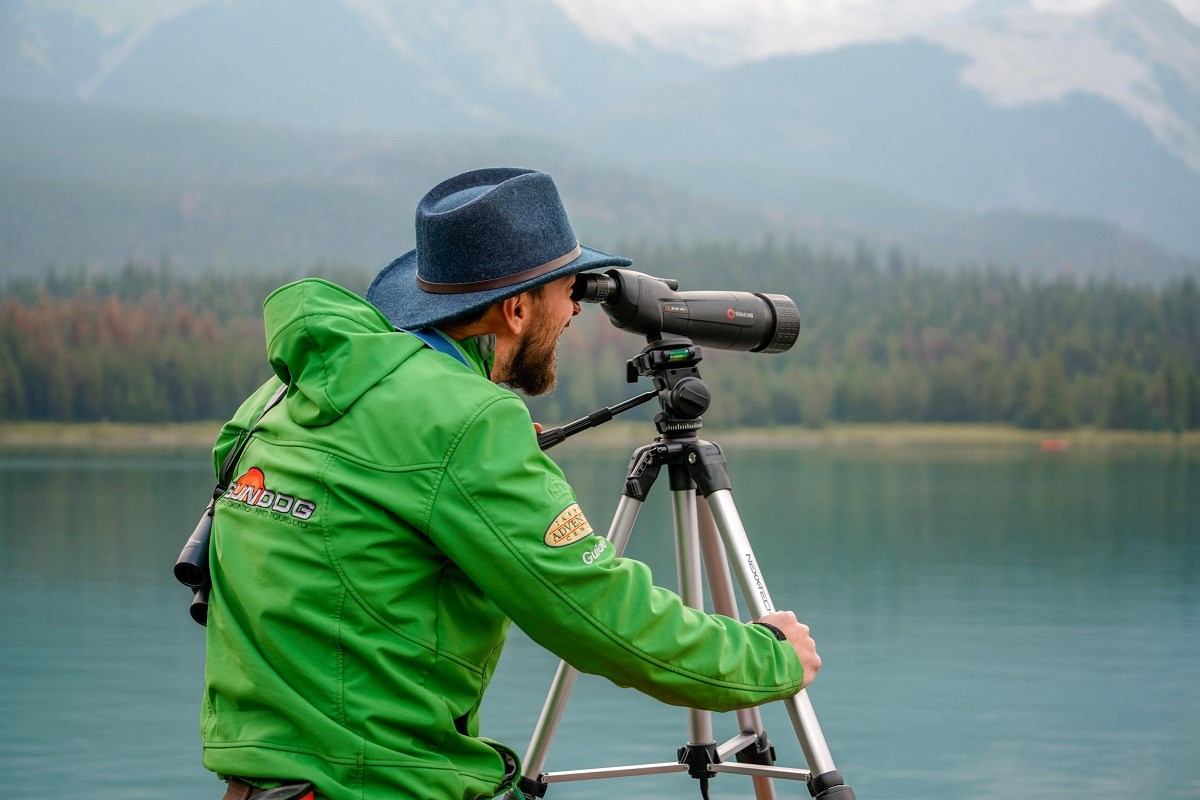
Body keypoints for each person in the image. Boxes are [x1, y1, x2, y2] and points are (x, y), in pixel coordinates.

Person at [201, 168, 820, 800]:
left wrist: (468, 453)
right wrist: (768, 656)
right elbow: (600, 616)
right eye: (566, 289)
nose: (576, 306)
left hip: (262, 785)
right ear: (517, 308)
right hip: (380, 785)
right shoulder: (464, 423)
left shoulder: (285, 392)